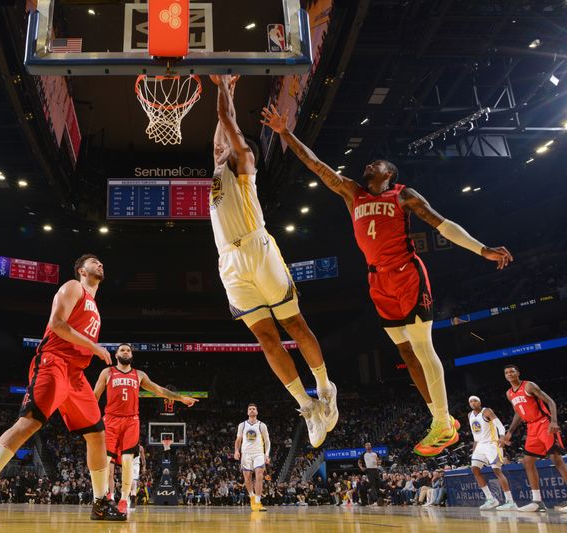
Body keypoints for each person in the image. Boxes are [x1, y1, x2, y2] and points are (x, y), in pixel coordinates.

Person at [260, 104, 513, 456]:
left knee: (423, 347)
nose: (367, 167)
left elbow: (443, 224)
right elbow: (318, 166)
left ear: (389, 174)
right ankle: (439, 418)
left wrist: (482, 249)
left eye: (374, 165)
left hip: (407, 274)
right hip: (378, 282)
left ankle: (442, 421)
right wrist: (285, 133)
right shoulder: (353, 193)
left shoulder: (404, 195)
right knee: (406, 352)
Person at [209, 74, 336, 448]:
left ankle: (325, 387)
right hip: (229, 263)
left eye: (224, 144)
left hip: (257, 249)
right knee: (266, 339)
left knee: (293, 324)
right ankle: (306, 406)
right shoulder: (218, 171)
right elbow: (222, 126)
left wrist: (221, 89)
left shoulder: (244, 160)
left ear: (236, 148)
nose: (217, 146)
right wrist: (228, 92)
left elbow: (228, 126)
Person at [0, 254, 125, 523]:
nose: (101, 264)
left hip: (76, 374)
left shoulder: (94, 304)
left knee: (97, 435)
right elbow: (57, 325)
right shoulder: (73, 287)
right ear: (81, 270)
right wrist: (93, 346)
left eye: (102, 262)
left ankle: (99, 502)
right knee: (29, 423)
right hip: (54, 362)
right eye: (94, 262)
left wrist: (87, 348)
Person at [94, 343, 196, 514]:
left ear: (131, 355)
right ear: (116, 354)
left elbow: (160, 390)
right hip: (110, 420)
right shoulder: (107, 372)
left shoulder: (139, 375)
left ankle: (124, 499)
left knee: (127, 461)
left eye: (128, 350)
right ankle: (107, 496)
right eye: (122, 350)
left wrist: (180, 398)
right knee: (106, 463)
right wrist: (88, 419)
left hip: (131, 421)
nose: (125, 352)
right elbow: (94, 397)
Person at [501, 364, 567, 512]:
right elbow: (518, 413)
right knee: (527, 462)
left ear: (518, 373)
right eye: (507, 373)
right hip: (531, 428)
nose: (510, 374)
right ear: (505, 376)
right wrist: (510, 431)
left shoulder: (529, 386)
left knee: (556, 459)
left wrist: (554, 421)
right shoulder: (509, 393)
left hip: (544, 423)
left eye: (512, 371)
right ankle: (538, 502)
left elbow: (550, 401)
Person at [467, 395, 516, 510]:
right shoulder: (469, 415)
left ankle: (510, 501)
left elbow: (499, 425)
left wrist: (502, 437)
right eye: (471, 401)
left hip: (492, 444)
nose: (473, 403)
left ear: (479, 402)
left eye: (475, 401)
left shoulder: (487, 411)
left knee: (497, 470)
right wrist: (474, 449)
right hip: (480, 445)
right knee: (474, 469)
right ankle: (491, 499)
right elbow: (475, 435)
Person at [234, 403, 270, 511]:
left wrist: (266, 454)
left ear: (257, 412)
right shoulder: (242, 425)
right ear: (247, 412)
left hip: (258, 453)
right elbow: (238, 439)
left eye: (254, 409)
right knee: (247, 477)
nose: (252, 410)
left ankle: (258, 502)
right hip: (246, 454)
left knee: (259, 475)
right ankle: (252, 497)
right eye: (250, 409)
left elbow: (267, 441)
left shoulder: (262, 425)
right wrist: (236, 451)